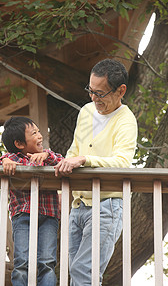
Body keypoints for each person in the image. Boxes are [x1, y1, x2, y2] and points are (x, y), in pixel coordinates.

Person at [55, 58, 138, 285]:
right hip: (78, 205)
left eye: (100, 93)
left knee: (85, 273)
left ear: (121, 90)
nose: (93, 98)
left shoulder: (126, 121)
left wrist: (85, 159)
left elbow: (122, 162)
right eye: (90, 91)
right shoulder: (86, 111)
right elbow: (73, 150)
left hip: (106, 205)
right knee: (76, 273)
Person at [0, 116, 64, 286]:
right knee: (21, 262)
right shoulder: (13, 159)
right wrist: (3, 160)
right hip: (22, 215)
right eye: (34, 133)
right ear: (19, 144)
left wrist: (46, 156)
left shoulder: (48, 157)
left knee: (47, 262)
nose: (40, 136)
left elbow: (63, 162)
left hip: (49, 215)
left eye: (38, 131)